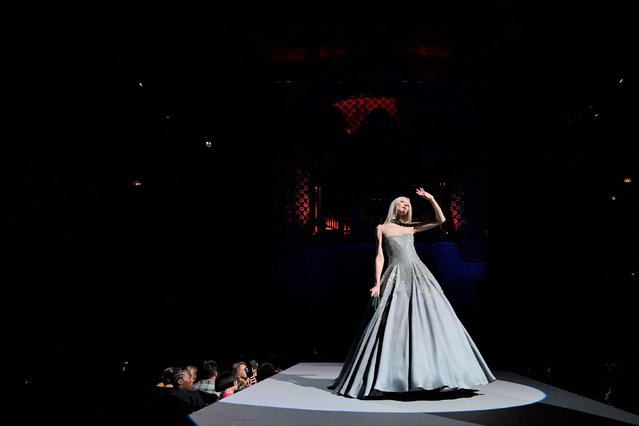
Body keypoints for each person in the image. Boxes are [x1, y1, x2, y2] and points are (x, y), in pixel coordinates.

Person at [328, 187, 495, 399]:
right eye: (402, 203)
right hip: (396, 274)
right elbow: (379, 256)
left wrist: (432, 199)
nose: (405, 206)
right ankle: (392, 376)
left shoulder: (411, 228)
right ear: (394, 206)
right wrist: (377, 283)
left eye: (408, 204)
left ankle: (433, 374)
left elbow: (440, 219)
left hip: (418, 273)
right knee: (394, 323)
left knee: (430, 317)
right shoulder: (382, 228)